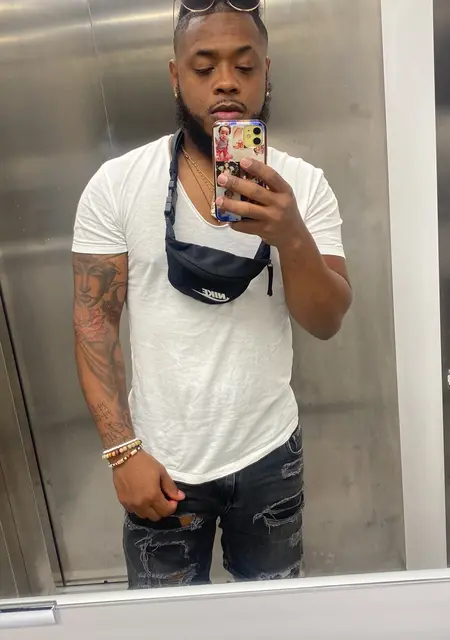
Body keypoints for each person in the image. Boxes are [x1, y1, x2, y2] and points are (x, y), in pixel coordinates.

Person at [72, 0, 352, 589]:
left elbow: (327, 321)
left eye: (244, 66)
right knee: (166, 625)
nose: (226, 82)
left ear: (266, 73)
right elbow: (95, 327)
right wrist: (122, 452)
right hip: (160, 460)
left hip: (269, 454)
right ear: (176, 76)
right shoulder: (117, 184)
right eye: (204, 68)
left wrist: (290, 235)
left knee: (274, 620)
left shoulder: (304, 185)